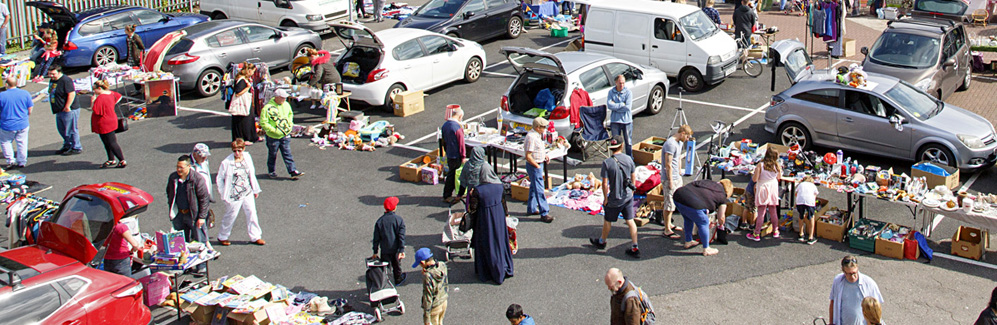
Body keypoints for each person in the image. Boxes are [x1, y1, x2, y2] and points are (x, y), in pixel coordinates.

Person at [589, 136, 640, 258]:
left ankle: (602, 241)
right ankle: (635, 246)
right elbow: (633, 177)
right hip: (627, 196)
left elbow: (605, 184)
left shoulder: (607, 163)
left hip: (614, 198)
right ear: (622, 146)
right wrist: (631, 191)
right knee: (630, 221)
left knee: (608, 221)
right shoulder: (628, 159)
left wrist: (605, 199)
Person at [216, 139, 264, 246]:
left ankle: (255, 236)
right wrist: (223, 194)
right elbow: (219, 179)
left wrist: (255, 189)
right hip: (233, 194)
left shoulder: (247, 157)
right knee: (231, 215)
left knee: (252, 213)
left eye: (239, 150)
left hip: (247, 191)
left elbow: (251, 173)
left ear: (243, 149)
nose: (237, 153)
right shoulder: (226, 163)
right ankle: (223, 236)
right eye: (235, 151)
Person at [470, 177, 514, 284]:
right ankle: (504, 267)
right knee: (500, 242)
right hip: (499, 218)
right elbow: (504, 204)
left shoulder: (478, 190)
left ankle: (489, 271)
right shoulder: (499, 186)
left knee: (487, 243)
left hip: (484, 220)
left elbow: (473, 208)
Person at [672, 179, 733, 256]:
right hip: (694, 204)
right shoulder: (723, 196)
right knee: (704, 222)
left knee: (688, 218)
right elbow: (721, 217)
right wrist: (721, 225)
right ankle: (706, 249)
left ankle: (688, 241)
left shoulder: (708, 182)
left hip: (678, 195)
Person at [260, 89, 304, 179]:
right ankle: (271, 171)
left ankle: (293, 171)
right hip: (273, 136)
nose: (284, 99)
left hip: (285, 134)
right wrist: (273, 130)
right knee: (272, 154)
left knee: (287, 153)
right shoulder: (267, 108)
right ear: (276, 97)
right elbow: (264, 122)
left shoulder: (286, 105)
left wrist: (290, 124)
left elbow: (290, 115)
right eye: (282, 98)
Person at [829, 256, 884, 325]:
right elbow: (833, 302)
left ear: (857, 268)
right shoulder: (837, 281)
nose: (852, 277)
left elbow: (876, 308)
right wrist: (831, 322)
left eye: (854, 273)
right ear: (843, 270)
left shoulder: (869, 283)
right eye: (849, 274)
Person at [660, 125, 693, 240]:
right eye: (687, 137)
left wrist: (679, 173)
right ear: (682, 133)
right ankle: (666, 229)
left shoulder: (679, 143)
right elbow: (667, 164)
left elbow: (678, 158)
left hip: (676, 177)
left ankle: (669, 224)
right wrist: (670, 181)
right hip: (670, 178)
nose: (688, 139)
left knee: (674, 202)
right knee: (669, 204)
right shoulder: (670, 144)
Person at [461, 146, 509, 216]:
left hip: (471, 193)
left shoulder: (467, 165)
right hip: (485, 193)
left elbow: (463, 181)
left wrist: (460, 194)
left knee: (472, 213)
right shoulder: (485, 166)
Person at [747, 147, 782, 241]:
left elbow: (755, 179)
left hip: (763, 187)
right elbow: (779, 177)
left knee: (761, 211)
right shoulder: (777, 165)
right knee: (773, 210)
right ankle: (775, 230)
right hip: (773, 188)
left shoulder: (760, 165)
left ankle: (757, 233)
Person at [90, 80, 126, 168]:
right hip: (112, 119)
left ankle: (121, 160)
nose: (93, 91)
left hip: (104, 123)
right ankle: (111, 159)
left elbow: (95, 110)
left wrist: (93, 101)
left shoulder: (100, 98)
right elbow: (119, 97)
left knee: (111, 142)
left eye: (94, 89)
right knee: (108, 142)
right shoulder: (111, 93)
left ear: (99, 88)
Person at [524, 117, 554, 223]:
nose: (545, 129)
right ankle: (544, 213)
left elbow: (538, 149)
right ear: (537, 127)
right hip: (534, 165)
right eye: (543, 127)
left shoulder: (537, 135)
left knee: (534, 187)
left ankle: (531, 208)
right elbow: (528, 155)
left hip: (538, 163)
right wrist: (536, 165)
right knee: (539, 189)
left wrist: (544, 156)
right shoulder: (531, 137)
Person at [48, 65, 82, 156]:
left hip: (68, 109)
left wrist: (67, 106)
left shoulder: (66, 80)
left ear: (59, 72)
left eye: (53, 74)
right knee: (62, 129)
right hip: (59, 109)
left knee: (71, 129)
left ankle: (76, 147)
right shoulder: (53, 80)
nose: (51, 76)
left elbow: (71, 94)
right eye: (50, 74)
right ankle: (67, 144)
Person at [372, 196, 407, 285]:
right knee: (397, 266)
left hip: (385, 249)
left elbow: (376, 238)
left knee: (385, 266)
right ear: (395, 207)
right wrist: (401, 249)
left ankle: (385, 281)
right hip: (395, 249)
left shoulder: (380, 221)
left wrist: (375, 251)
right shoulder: (399, 220)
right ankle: (398, 279)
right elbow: (401, 236)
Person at [0, 76, 33, 169]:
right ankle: (22, 161)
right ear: (17, 83)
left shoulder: (1, 96)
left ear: (6, 84)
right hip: (22, 123)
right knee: (22, 142)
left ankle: (10, 160)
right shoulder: (25, 94)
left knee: (5, 142)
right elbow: (30, 109)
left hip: (7, 125)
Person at [415, 247, 448, 325]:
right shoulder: (442, 265)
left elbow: (428, 297)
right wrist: (428, 269)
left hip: (435, 305)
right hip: (443, 300)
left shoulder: (428, 276)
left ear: (423, 262)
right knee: (440, 322)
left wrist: (426, 318)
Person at [441, 108, 466, 204]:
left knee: (451, 173)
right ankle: (448, 194)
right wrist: (463, 156)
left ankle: (449, 193)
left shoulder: (445, 125)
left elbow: (443, 141)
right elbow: (461, 144)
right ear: (460, 116)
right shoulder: (457, 128)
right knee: (454, 175)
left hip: (449, 153)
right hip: (456, 155)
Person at [229, 63, 258, 144]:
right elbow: (238, 92)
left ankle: (252, 137)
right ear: (249, 70)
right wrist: (247, 87)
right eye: (253, 71)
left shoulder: (244, 78)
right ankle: (244, 139)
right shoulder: (241, 80)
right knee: (244, 122)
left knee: (249, 120)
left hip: (247, 103)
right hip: (242, 103)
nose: (253, 73)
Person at [606, 75, 633, 157]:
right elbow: (610, 105)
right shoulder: (611, 92)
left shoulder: (628, 92)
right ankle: (616, 158)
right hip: (615, 121)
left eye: (623, 83)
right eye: (620, 83)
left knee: (628, 141)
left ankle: (629, 158)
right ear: (616, 82)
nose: (622, 85)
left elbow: (628, 107)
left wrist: (616, 106)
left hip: (626, 121)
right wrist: (622, 104)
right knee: (615, 142)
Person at [796, 175, 820, 245]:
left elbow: (796, 193)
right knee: (811, 217)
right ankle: (810, 237)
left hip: (800, 201)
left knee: (801, 215)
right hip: (809, 201)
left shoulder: (801, 184)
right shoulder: (813, 186)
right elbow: (815, 194)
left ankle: (801, 234)